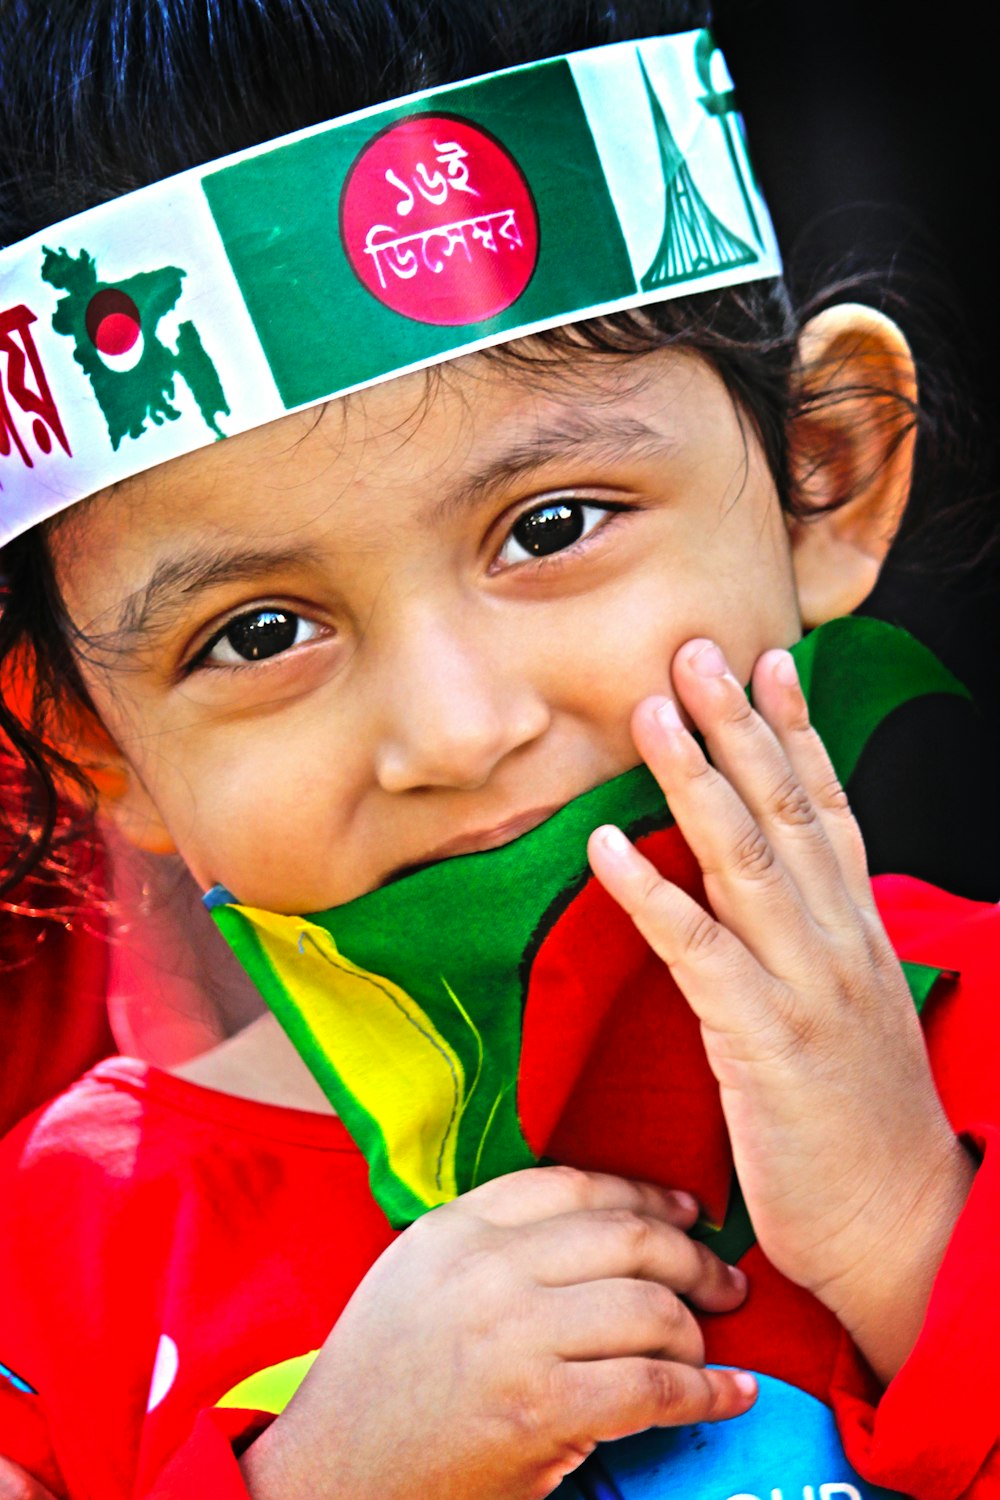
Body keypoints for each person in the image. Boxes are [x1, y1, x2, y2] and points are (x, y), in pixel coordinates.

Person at [0, 2, 997, 1497]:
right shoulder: (66, 1258)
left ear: (823, 474)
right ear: (95, 751)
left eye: (552, 527)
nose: (458, 732)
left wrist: (914, 1234)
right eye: (261, 634)